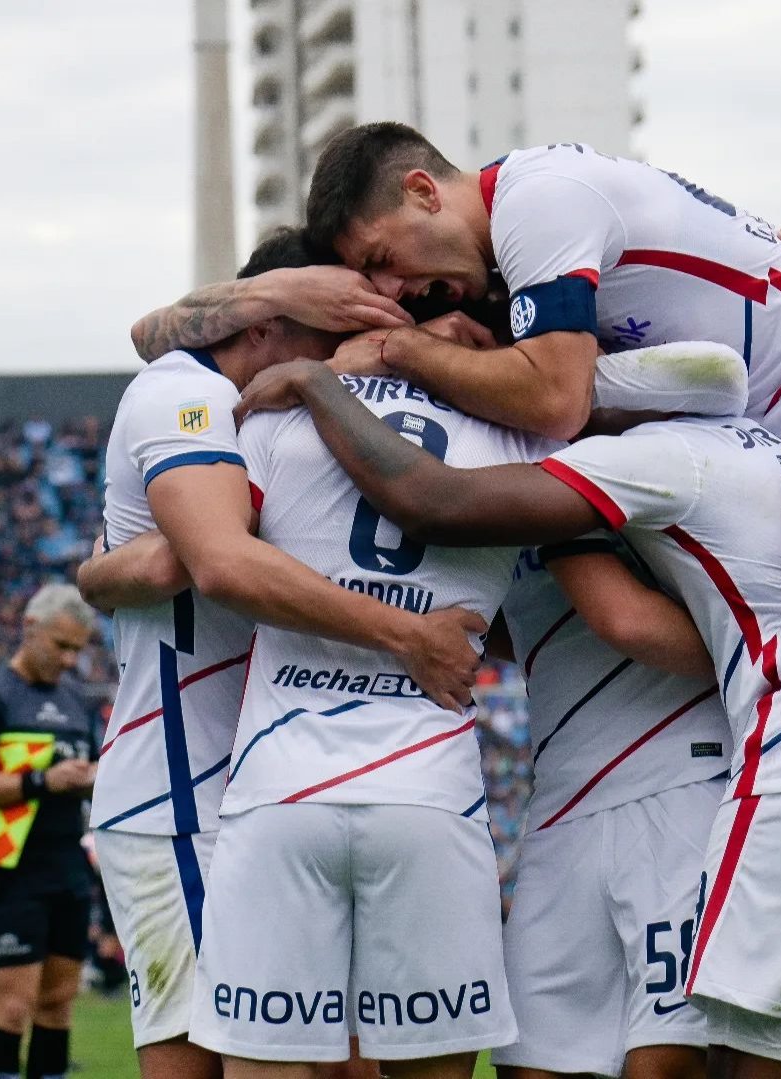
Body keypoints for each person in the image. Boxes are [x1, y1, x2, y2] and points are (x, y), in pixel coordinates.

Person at [131, 124, 781, 888]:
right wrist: (284, 294)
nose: (394, 286)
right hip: (772, 415)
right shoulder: (492, 272)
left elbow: (555, 399)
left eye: (385, 258)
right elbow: (149, 334)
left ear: (426, 191)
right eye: (373, 279)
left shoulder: (539, 201)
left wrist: (394, 348)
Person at [231, 358, 781, 1079]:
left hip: (695, 777)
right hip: (612, 788)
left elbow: (606, 608)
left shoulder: (610, 459)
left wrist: (320, 379)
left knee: (716, 1052)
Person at [77, 228, 486, 1079]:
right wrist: (407, 633)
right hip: (180, 796)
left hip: (276, 787)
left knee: (342, 1063)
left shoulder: (297, 423)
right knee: (208, 1064)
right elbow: (206, 558)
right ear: (264, 328)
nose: (349, 362)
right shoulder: (179, 390)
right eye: (329, 337)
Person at [178, 369, 563, 1078]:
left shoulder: (273, 422)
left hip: (280, 788)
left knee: (266, 1066)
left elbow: (211, 557)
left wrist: (99, 567)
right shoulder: (527, 437)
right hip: (431, 794)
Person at [491, 537, 728, 1079]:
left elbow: (623, 619)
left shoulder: (627, 458)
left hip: (683, 782)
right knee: (535, 1062)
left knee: (672, 1060)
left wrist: (767, 653)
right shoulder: (491, 463)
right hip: (559, 805)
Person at [0, 584, 98, 1079]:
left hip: (69, 869)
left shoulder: (76, 700)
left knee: (58, 1004)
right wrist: (41, 780)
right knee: (12, 1006)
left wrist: (94, 778)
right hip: (12, 870)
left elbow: (92, 768)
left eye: (78, 648)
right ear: (30, 629)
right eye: (61, 645)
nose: (70, 658)